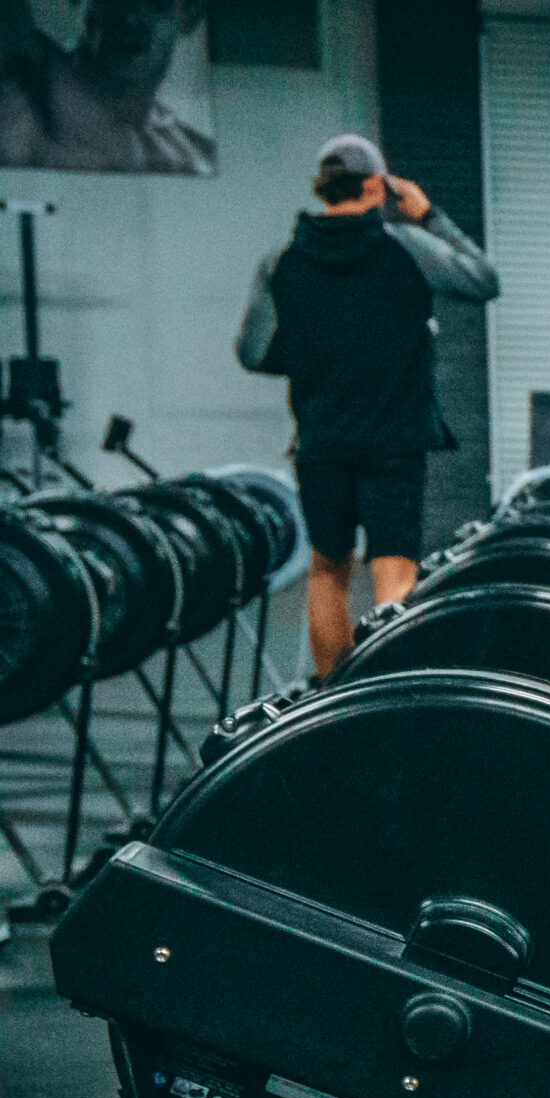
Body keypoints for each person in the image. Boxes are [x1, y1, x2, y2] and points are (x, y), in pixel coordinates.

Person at [236, 134, 499, 676]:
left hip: (322, 440)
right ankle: (387, 692)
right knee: (394, 569)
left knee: (327, 569)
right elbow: (483, 280)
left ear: (323, 188)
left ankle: (333, 694)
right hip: (394, 440)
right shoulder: (407, 246)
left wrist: (318, 357)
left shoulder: (283, 258)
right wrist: (430, 216)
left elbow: (253, 352)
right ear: (377, 184)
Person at [0, 0, 213, 174]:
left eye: (155, 4)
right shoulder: (27, 88)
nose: (131, 18)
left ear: (190, 13)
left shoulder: (192, 154)